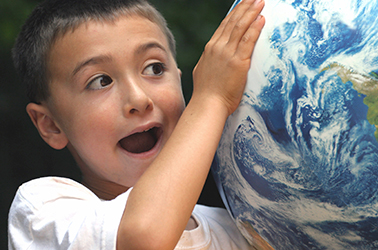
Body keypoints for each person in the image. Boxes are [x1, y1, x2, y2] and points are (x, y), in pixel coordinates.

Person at [7, 0, 265, 249]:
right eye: (100, 81)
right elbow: (143, 238)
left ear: (179, 81)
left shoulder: (238, 229)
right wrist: (211, 99)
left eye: (154, 68)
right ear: (51, 125)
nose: (139, 99)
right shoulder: (45, 213)